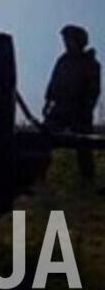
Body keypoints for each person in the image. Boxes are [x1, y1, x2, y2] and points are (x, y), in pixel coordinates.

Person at [45, 24, 100, 186]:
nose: (66, 43)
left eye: (69, 40)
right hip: (60, 108)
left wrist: (86, 109)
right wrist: (48, 100)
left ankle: (87, 181)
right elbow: (53, 81)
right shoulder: (63, 61)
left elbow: (93, 90)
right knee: (44, 139)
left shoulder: (90, 63)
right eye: (65, 40)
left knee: (83, 147)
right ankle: (39, 177)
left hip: (79, 111)